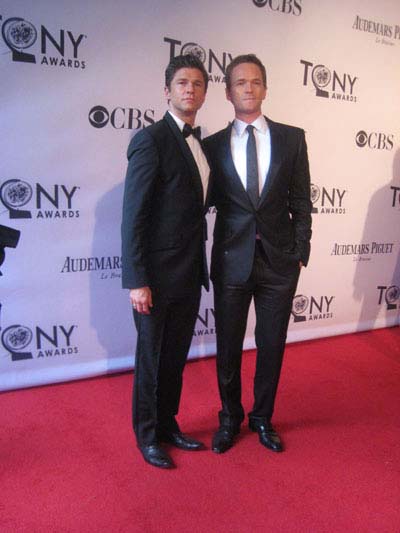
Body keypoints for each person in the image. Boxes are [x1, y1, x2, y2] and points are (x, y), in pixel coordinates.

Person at [204, 54, 312, 454]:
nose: (248, 89)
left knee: (272, 344)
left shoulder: (292, 138)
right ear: (228, 91)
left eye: (255, 82)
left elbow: (302, 199)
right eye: (240, 83)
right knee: (228, 346)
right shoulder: (211, 145)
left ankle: (263, 417)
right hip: (231, 260)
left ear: (265, 88)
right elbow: (200, 202)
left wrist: (301, 249)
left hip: (279, 263)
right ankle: (230, 417)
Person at [121, 54, 211, 469]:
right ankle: (146, 435)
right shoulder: (150, 140)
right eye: (181, 83)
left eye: (196, 83)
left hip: (189, 272)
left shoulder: (201, 144)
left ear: (205, 93)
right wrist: (137, 280)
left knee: (174, 356)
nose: (189, 89)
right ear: (167, 91)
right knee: (151, 358)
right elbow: (133, 216)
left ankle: (168, 423)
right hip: (155, 277)